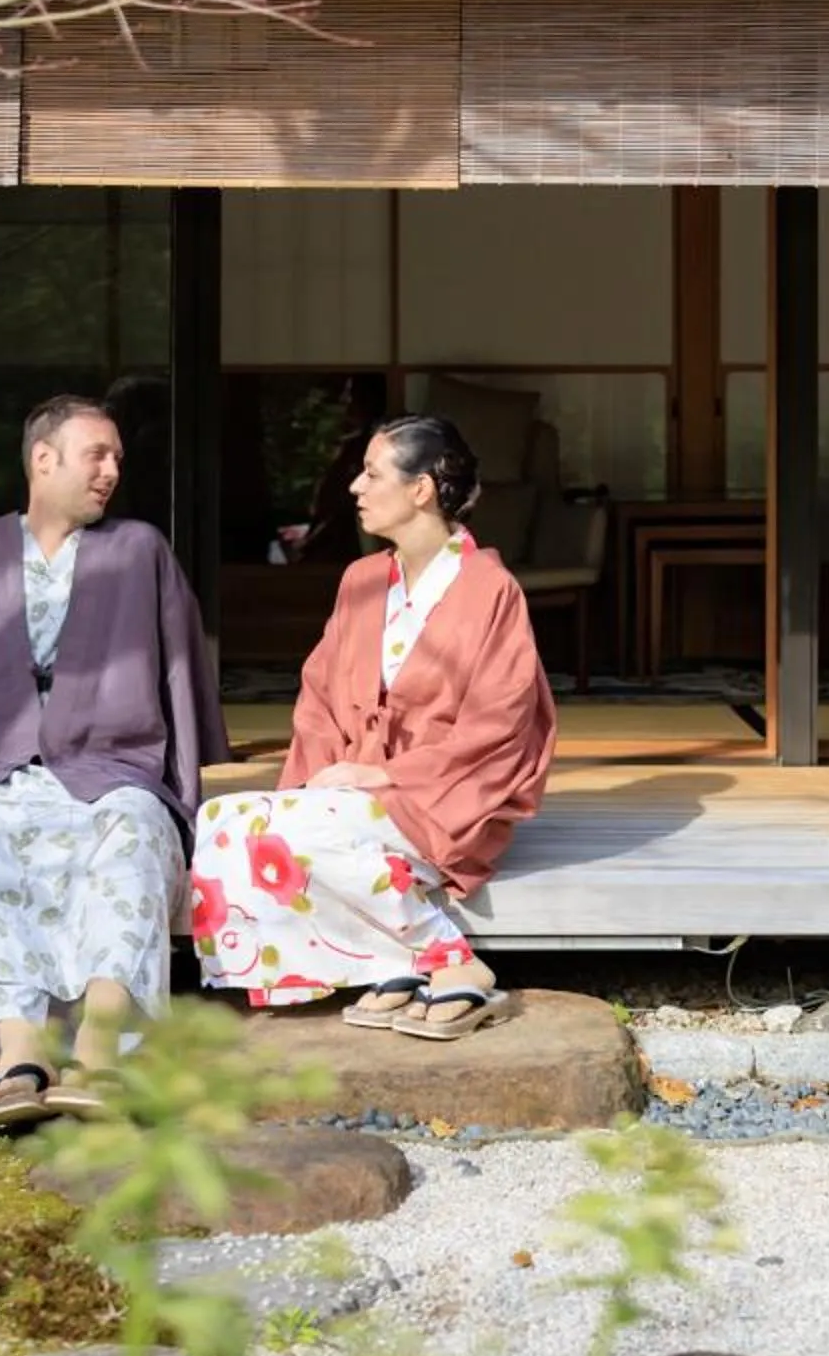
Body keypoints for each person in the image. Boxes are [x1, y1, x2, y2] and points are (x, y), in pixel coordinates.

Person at [0, 394, 225, 1128]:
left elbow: (178, 667)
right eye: (97, 455)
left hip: (114, 762)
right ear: (44, 459)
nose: (111, 472)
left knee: (134, 837)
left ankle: (100, 1056)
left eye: (118, 461)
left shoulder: (139, 550)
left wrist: (183, 792)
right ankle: (20, 1055)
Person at [188, 413, 558, 1039]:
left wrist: (381, 772)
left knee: (302, 829)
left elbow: (501, 722)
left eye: (371, 473)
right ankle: (394, 960)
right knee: (220, 819)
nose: (354, 487)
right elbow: (319, 699)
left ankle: (453, 961)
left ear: (420, 490)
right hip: (357, 795)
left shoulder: (490, 589)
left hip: (446, 797)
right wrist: (321, 780)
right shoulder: (361, 581)